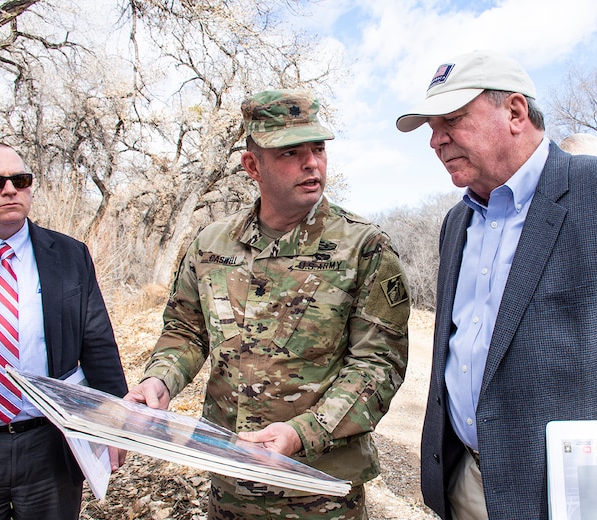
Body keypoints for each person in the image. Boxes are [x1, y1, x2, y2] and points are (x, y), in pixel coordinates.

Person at [396, 50, 597, 519]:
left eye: (453, 120)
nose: (436, 140)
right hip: (465, 484)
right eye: (431, 128)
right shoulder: (457, 221)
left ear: (516, 112)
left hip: (571, 502)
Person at [125, 89, 410, 519]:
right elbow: (185, 331)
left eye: (318, 149)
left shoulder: (362, 248)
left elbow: (378, 365)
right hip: (229, 479)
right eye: (290, 152)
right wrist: (160, 381)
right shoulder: (211, 244)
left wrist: (303, 433)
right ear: (252, 166)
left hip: (318, 487)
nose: (311, 162)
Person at [0, 141, 128, 519]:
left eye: (20, 179)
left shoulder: (68, 254)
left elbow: (98, 344)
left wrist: (116, 423)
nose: (10, 189)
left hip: (51, 441)